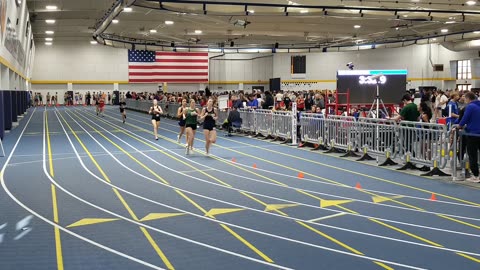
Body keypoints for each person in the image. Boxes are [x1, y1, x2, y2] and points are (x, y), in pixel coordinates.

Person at [456, 91, 480, 182]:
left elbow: (464, 119)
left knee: (472, 155)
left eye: (465, 99)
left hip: (473, 134)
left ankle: (476, 175)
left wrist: (459, 126)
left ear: (468, 99)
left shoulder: (470, 106)